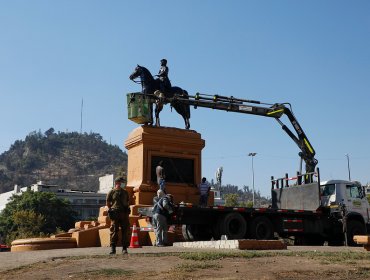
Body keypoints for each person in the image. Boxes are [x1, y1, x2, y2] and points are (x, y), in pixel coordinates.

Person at [106, 176, 130, 255]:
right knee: (114, 231)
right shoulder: (111, 192)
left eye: (123, 182)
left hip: (124, 213)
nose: (123, 184)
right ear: (117, 183)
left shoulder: (125, 192)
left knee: (125, 231)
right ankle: (113, 248)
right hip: (115, 213)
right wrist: (111, 209)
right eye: (122, 182)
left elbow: (127, 201)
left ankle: (124, 248)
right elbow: (108, 202)